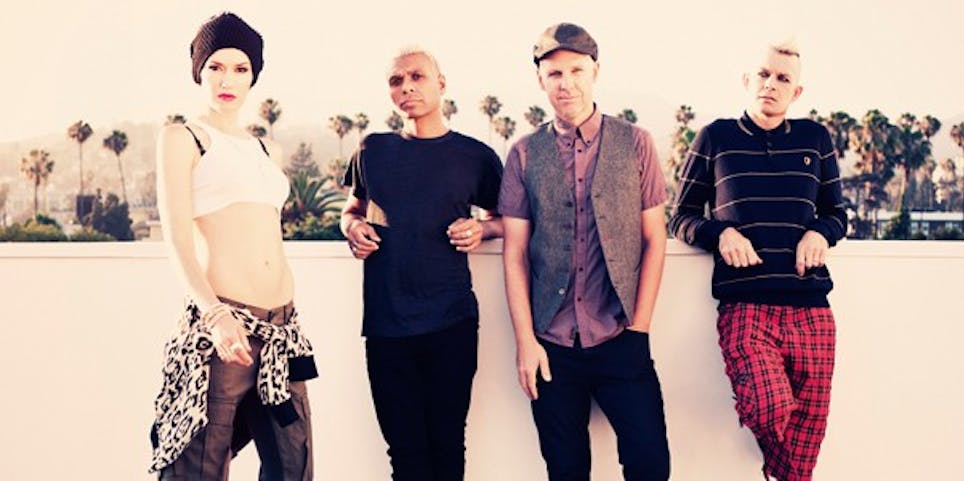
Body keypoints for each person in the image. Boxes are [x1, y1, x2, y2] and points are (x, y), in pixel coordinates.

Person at [498, 23, 671, 481]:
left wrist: (639, 330)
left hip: (620, 335)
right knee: (566, 471)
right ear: (540, 79)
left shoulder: (636, 142)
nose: (566, 84)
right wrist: (526, 342)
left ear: (596, 71)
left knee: (651, 465)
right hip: (551, 345)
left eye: (576, 70)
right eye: (555, 73)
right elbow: (515, 253)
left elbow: (655, 239)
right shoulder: (523, 153)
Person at [668, 40, 847, 481]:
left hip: (811, 307)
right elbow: (681, 217)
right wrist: (720, 233)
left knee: (804, 453)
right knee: (769, 406)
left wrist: (819, 232)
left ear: (796, 92)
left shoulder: (815, 139)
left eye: (783, 78)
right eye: (764, 74)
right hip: (746, 305)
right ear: (747, 80)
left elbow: (837, 214)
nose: (771, 84)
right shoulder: (715, 137)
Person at [149, 12, 316, 480]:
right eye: (216, 67)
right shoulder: (183, 138)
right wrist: (214, 315)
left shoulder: (266, 149)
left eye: (241, 68)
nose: (227, 79)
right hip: (225, 327)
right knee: (199, 466)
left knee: (294, 466)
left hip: (282, 330)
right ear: (199, 71)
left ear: (253, 75)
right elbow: (177, 237)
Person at [340, 47, 504, 481]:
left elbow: (507, 220)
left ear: (440, 83)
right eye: (396, 80)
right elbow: (352, 208)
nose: (407, 87)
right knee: (405, 456)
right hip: (386, 325)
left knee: (447, 447)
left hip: (451, 322)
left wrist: (482, 229)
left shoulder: (475, 155)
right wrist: (352, 228)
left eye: (417, 76)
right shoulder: (373, 149)